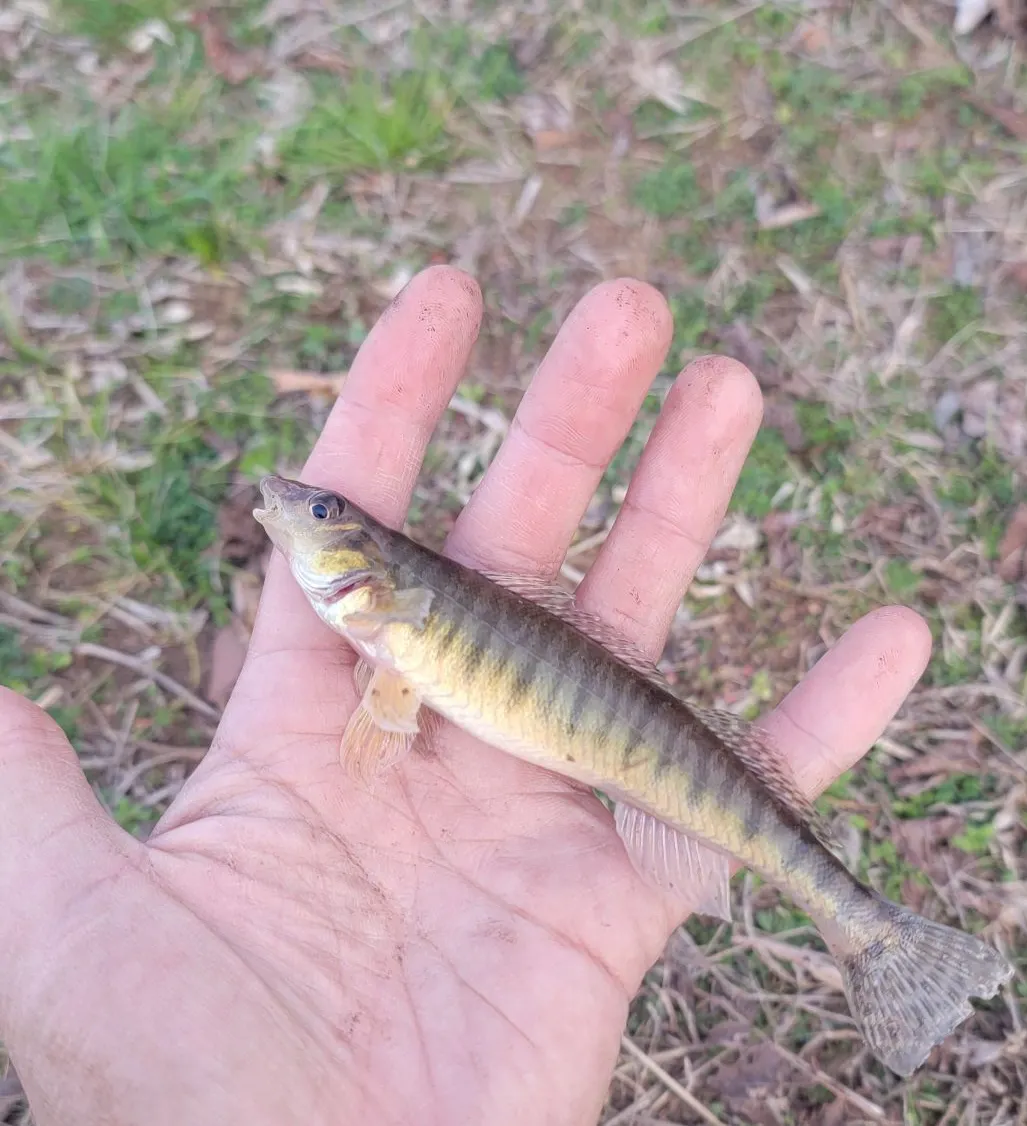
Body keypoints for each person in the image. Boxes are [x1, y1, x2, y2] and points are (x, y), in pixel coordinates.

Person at [0, 268, 931, 1126]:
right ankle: (866, 927)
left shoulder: (391, 617)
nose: (300, 506)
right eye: (317, 510)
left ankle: (868, 932)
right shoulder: (386, 622)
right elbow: (388, 702)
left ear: (368, 562)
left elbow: (390, 698)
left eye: (325, 514)